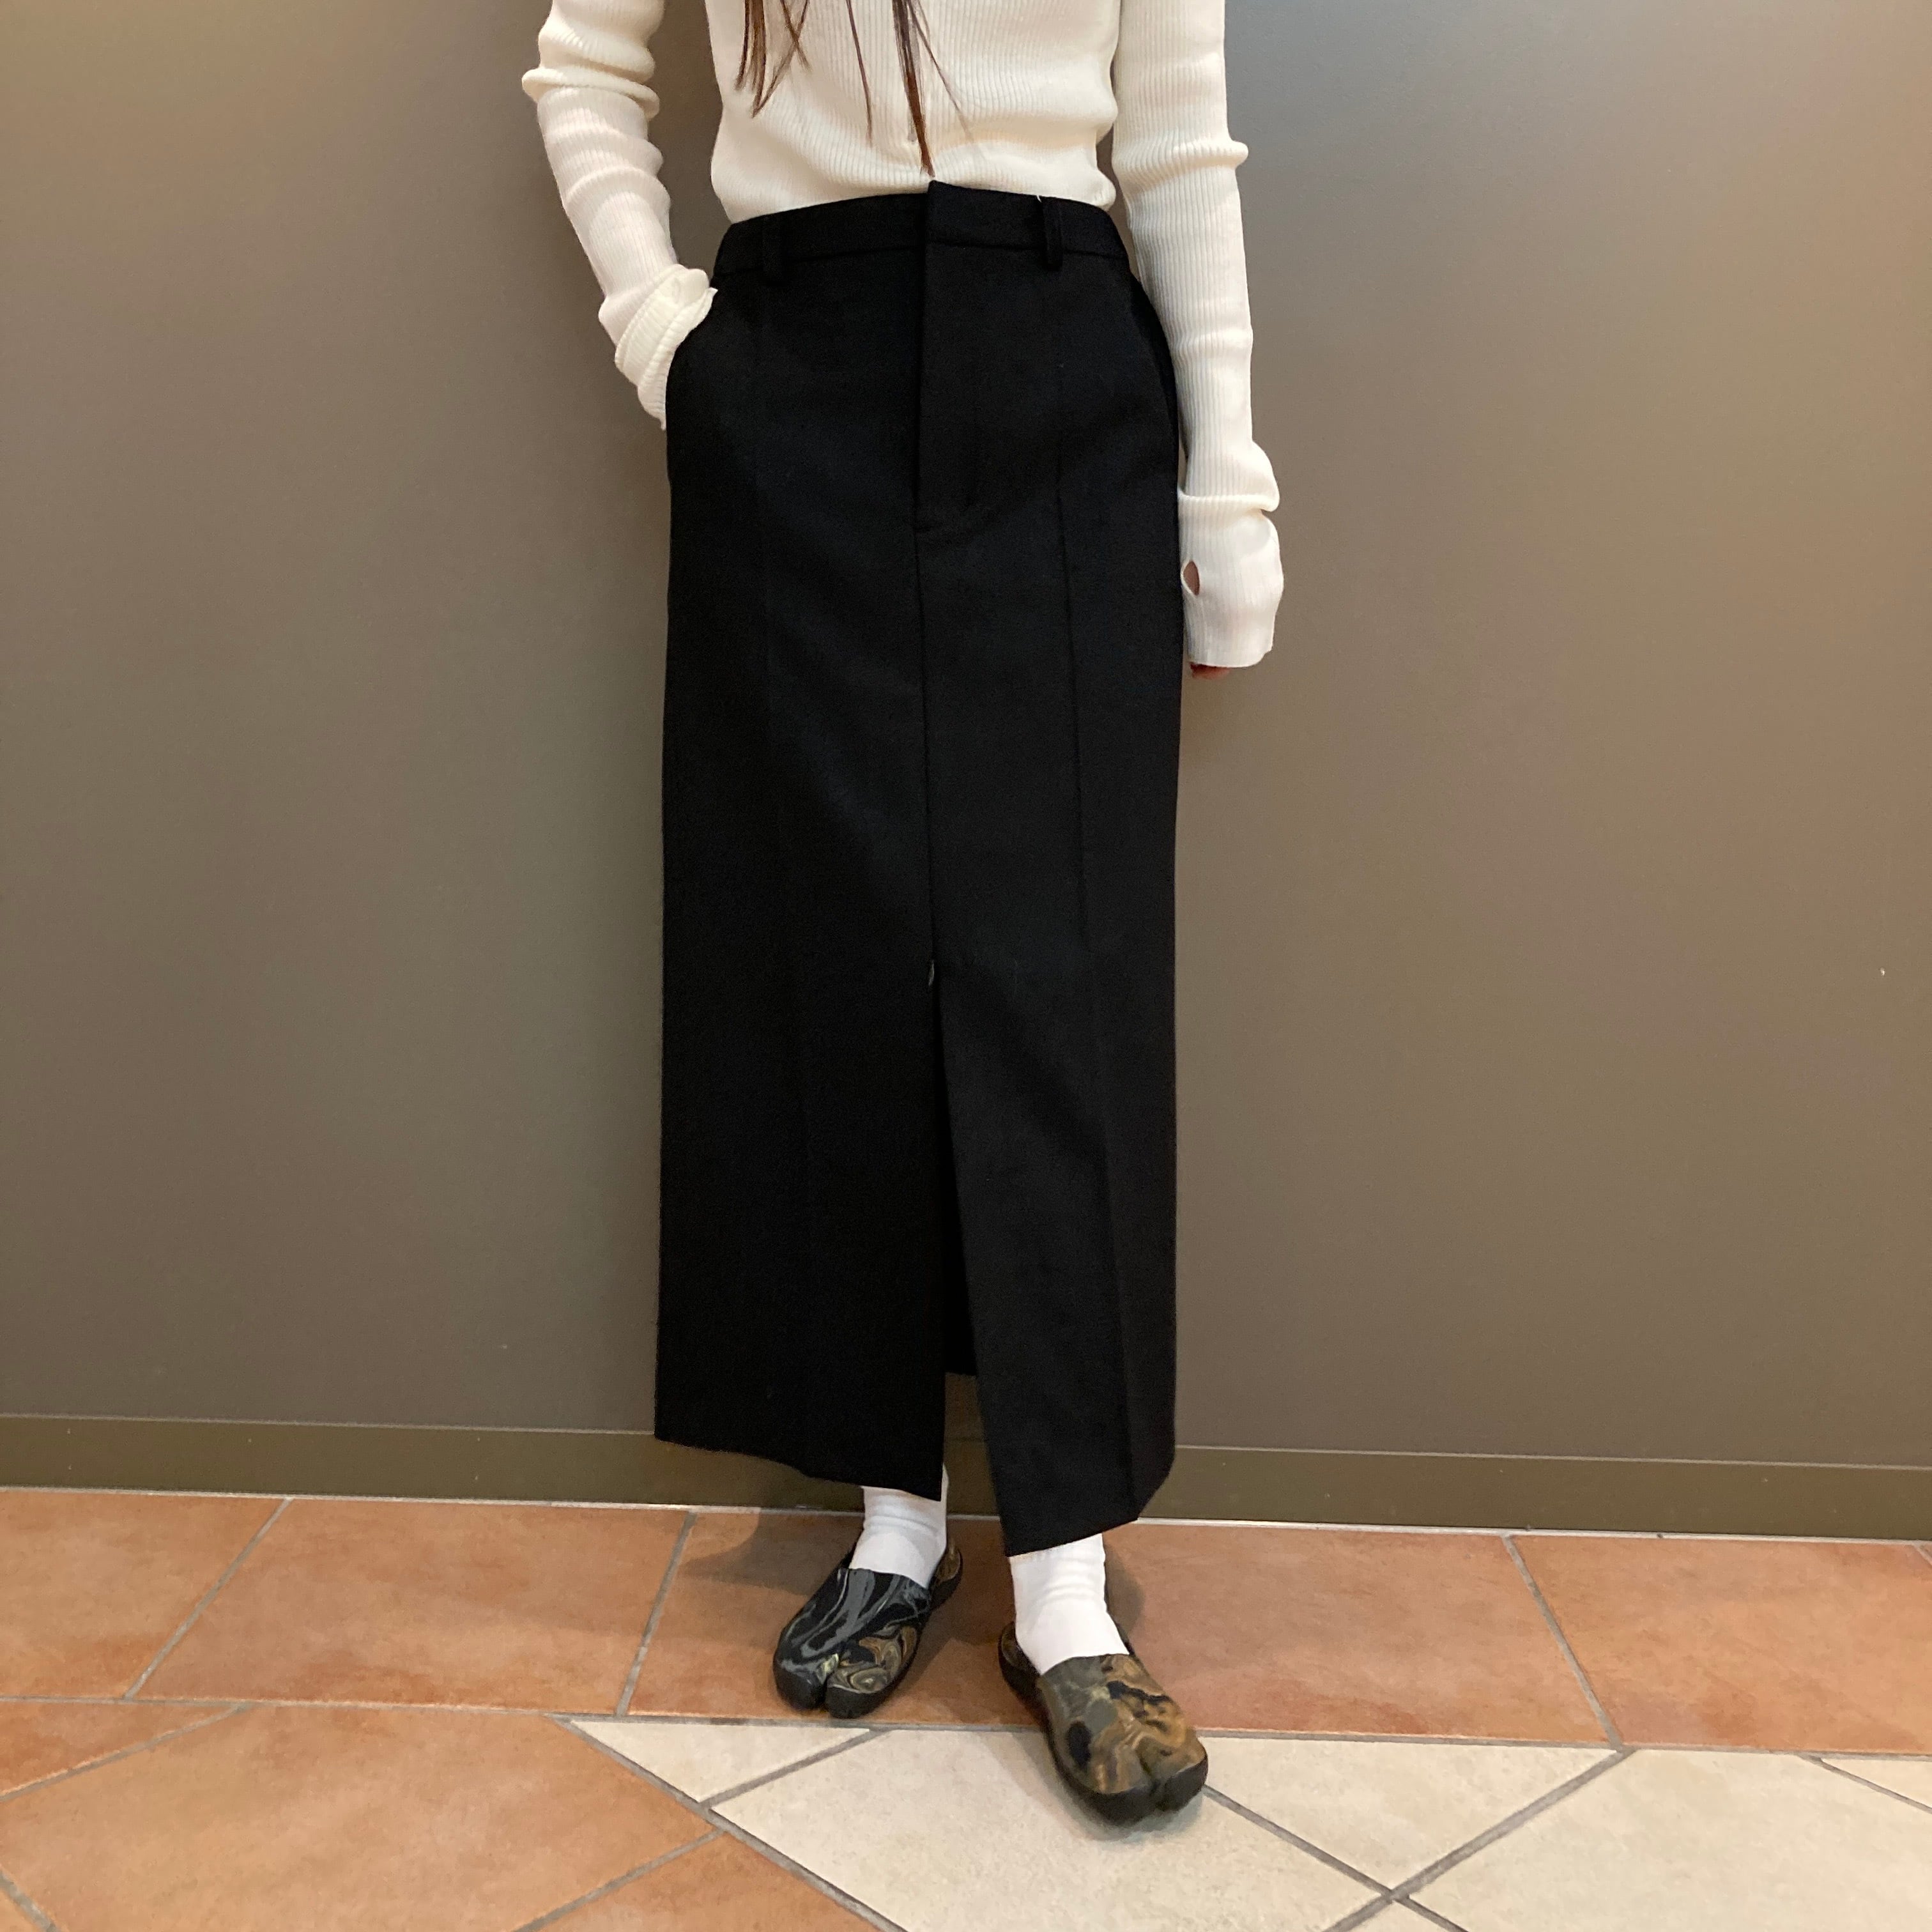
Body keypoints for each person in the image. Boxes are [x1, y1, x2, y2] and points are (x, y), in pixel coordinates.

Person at [521, 0, 1281, 1823]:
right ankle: (893, 1519)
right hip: (797, 367)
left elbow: (1180, 147)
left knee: (1060, 972)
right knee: (829, 957)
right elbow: (582, 65)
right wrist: (663, 330)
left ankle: (1067, 1590)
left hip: (1061, 362)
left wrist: (1226, 481)